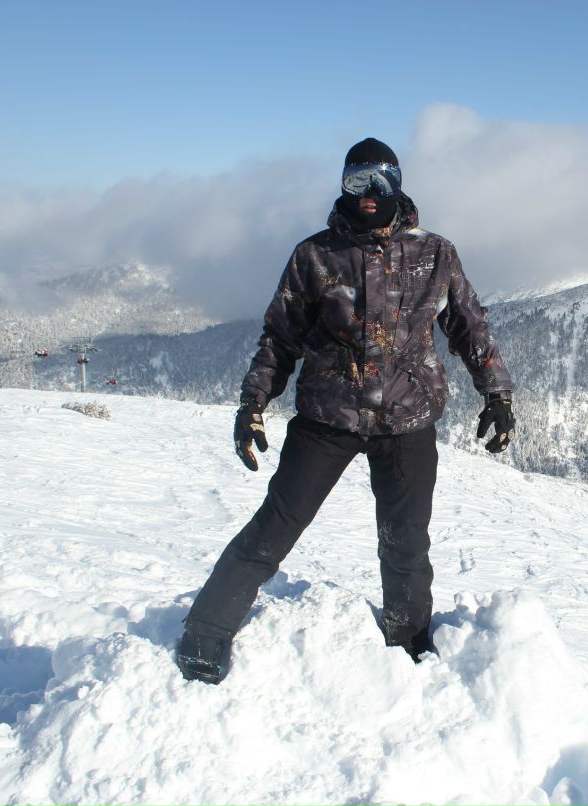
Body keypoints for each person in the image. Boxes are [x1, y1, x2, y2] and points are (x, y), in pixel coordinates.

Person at [176, 138, 516, 684]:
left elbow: (469, 325)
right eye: (355, 182)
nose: (366, 196)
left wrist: (497, 393)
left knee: (406, 541)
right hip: (328, 417)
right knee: (276, 525)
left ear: (398, 184)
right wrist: (253, 401)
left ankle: (408, 643)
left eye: (378, 183)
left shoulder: (435, 253)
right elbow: (279, 337)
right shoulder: (315, 255)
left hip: (406, 418)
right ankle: (205, 634)